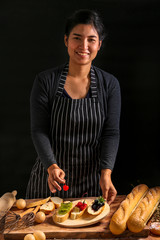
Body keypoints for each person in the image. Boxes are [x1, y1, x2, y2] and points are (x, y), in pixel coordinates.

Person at [26, 9, 121, 205]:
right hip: (50, 181)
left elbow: (111, 132)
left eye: (91, 40)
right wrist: (51, 166)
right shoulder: (45, 81)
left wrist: (106, 173)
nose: (84, 46)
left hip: (92, 183)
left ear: (99, 45)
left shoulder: (109, 84)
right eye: (77, 38)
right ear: (66, 40)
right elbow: (39, 130)